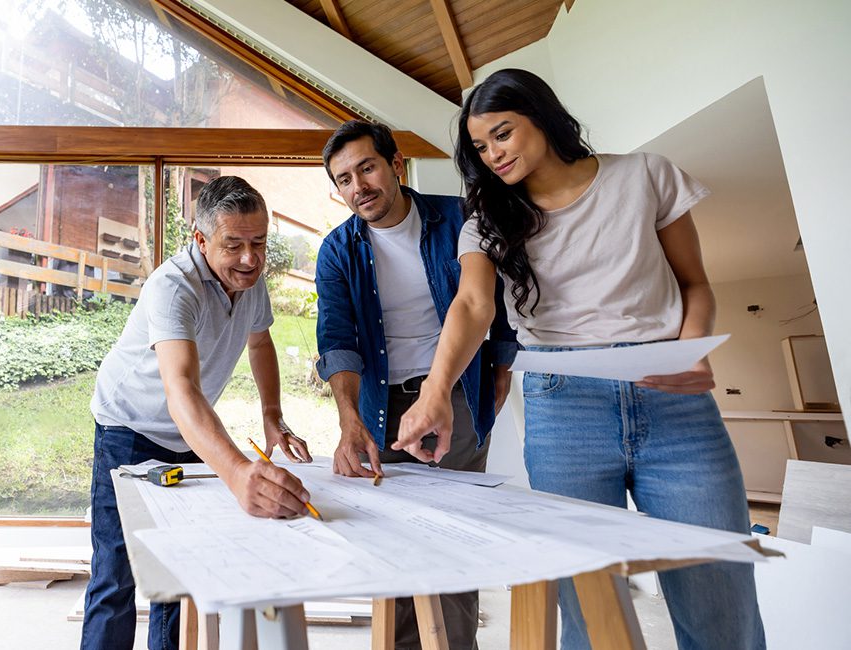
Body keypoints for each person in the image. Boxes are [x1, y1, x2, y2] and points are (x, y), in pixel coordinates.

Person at [394, 68, 765, 650]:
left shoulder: (646, 174)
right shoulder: (488, 221)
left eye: (503, 134)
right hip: (563, 407)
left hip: (673, 401)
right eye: (480, 147)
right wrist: (434, 392)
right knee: (589, 606)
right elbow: (472, 304)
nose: (492, 155)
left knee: (720, 591)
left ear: (541, 117)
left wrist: (692, 350)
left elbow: (696, 285)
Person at [83, 176, 314, 650]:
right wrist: (236, 475)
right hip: (128, 425)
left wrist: (272, 413)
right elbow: (181, 389)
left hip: (188, 431)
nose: (250, 259)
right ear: (201, 240)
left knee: (178, 566)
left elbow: (260, 339)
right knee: (118, 570)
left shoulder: (251, 282)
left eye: (259, 243)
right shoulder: (172, 287)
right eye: (234, 245)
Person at [313, 120, 517, 650]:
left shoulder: (458, 217)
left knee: (455, 535)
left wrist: (499, 369)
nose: (358, 186)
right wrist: (349, 420)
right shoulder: (337, 251)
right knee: (391, 540)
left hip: (458, 395)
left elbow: (497, 302)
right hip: (382, 405)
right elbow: (337, 339)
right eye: (344, 179)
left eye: (367, 167)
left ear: (395, 165)